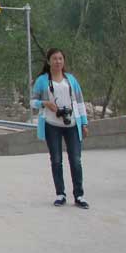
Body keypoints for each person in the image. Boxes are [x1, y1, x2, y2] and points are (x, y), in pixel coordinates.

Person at [30, 48, 90, 209]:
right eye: (55, 59)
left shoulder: (71, 80)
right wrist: (45, 103)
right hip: (52, 125)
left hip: (72, 125)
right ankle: (60, 194)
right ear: (48, 61)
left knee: (76, 160)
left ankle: (79, 195)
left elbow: (79, 102)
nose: (58, 62)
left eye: (60, 59)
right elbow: (32, 102)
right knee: (56, 160)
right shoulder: (42, 81)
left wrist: (84, 123)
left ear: (64, 61)